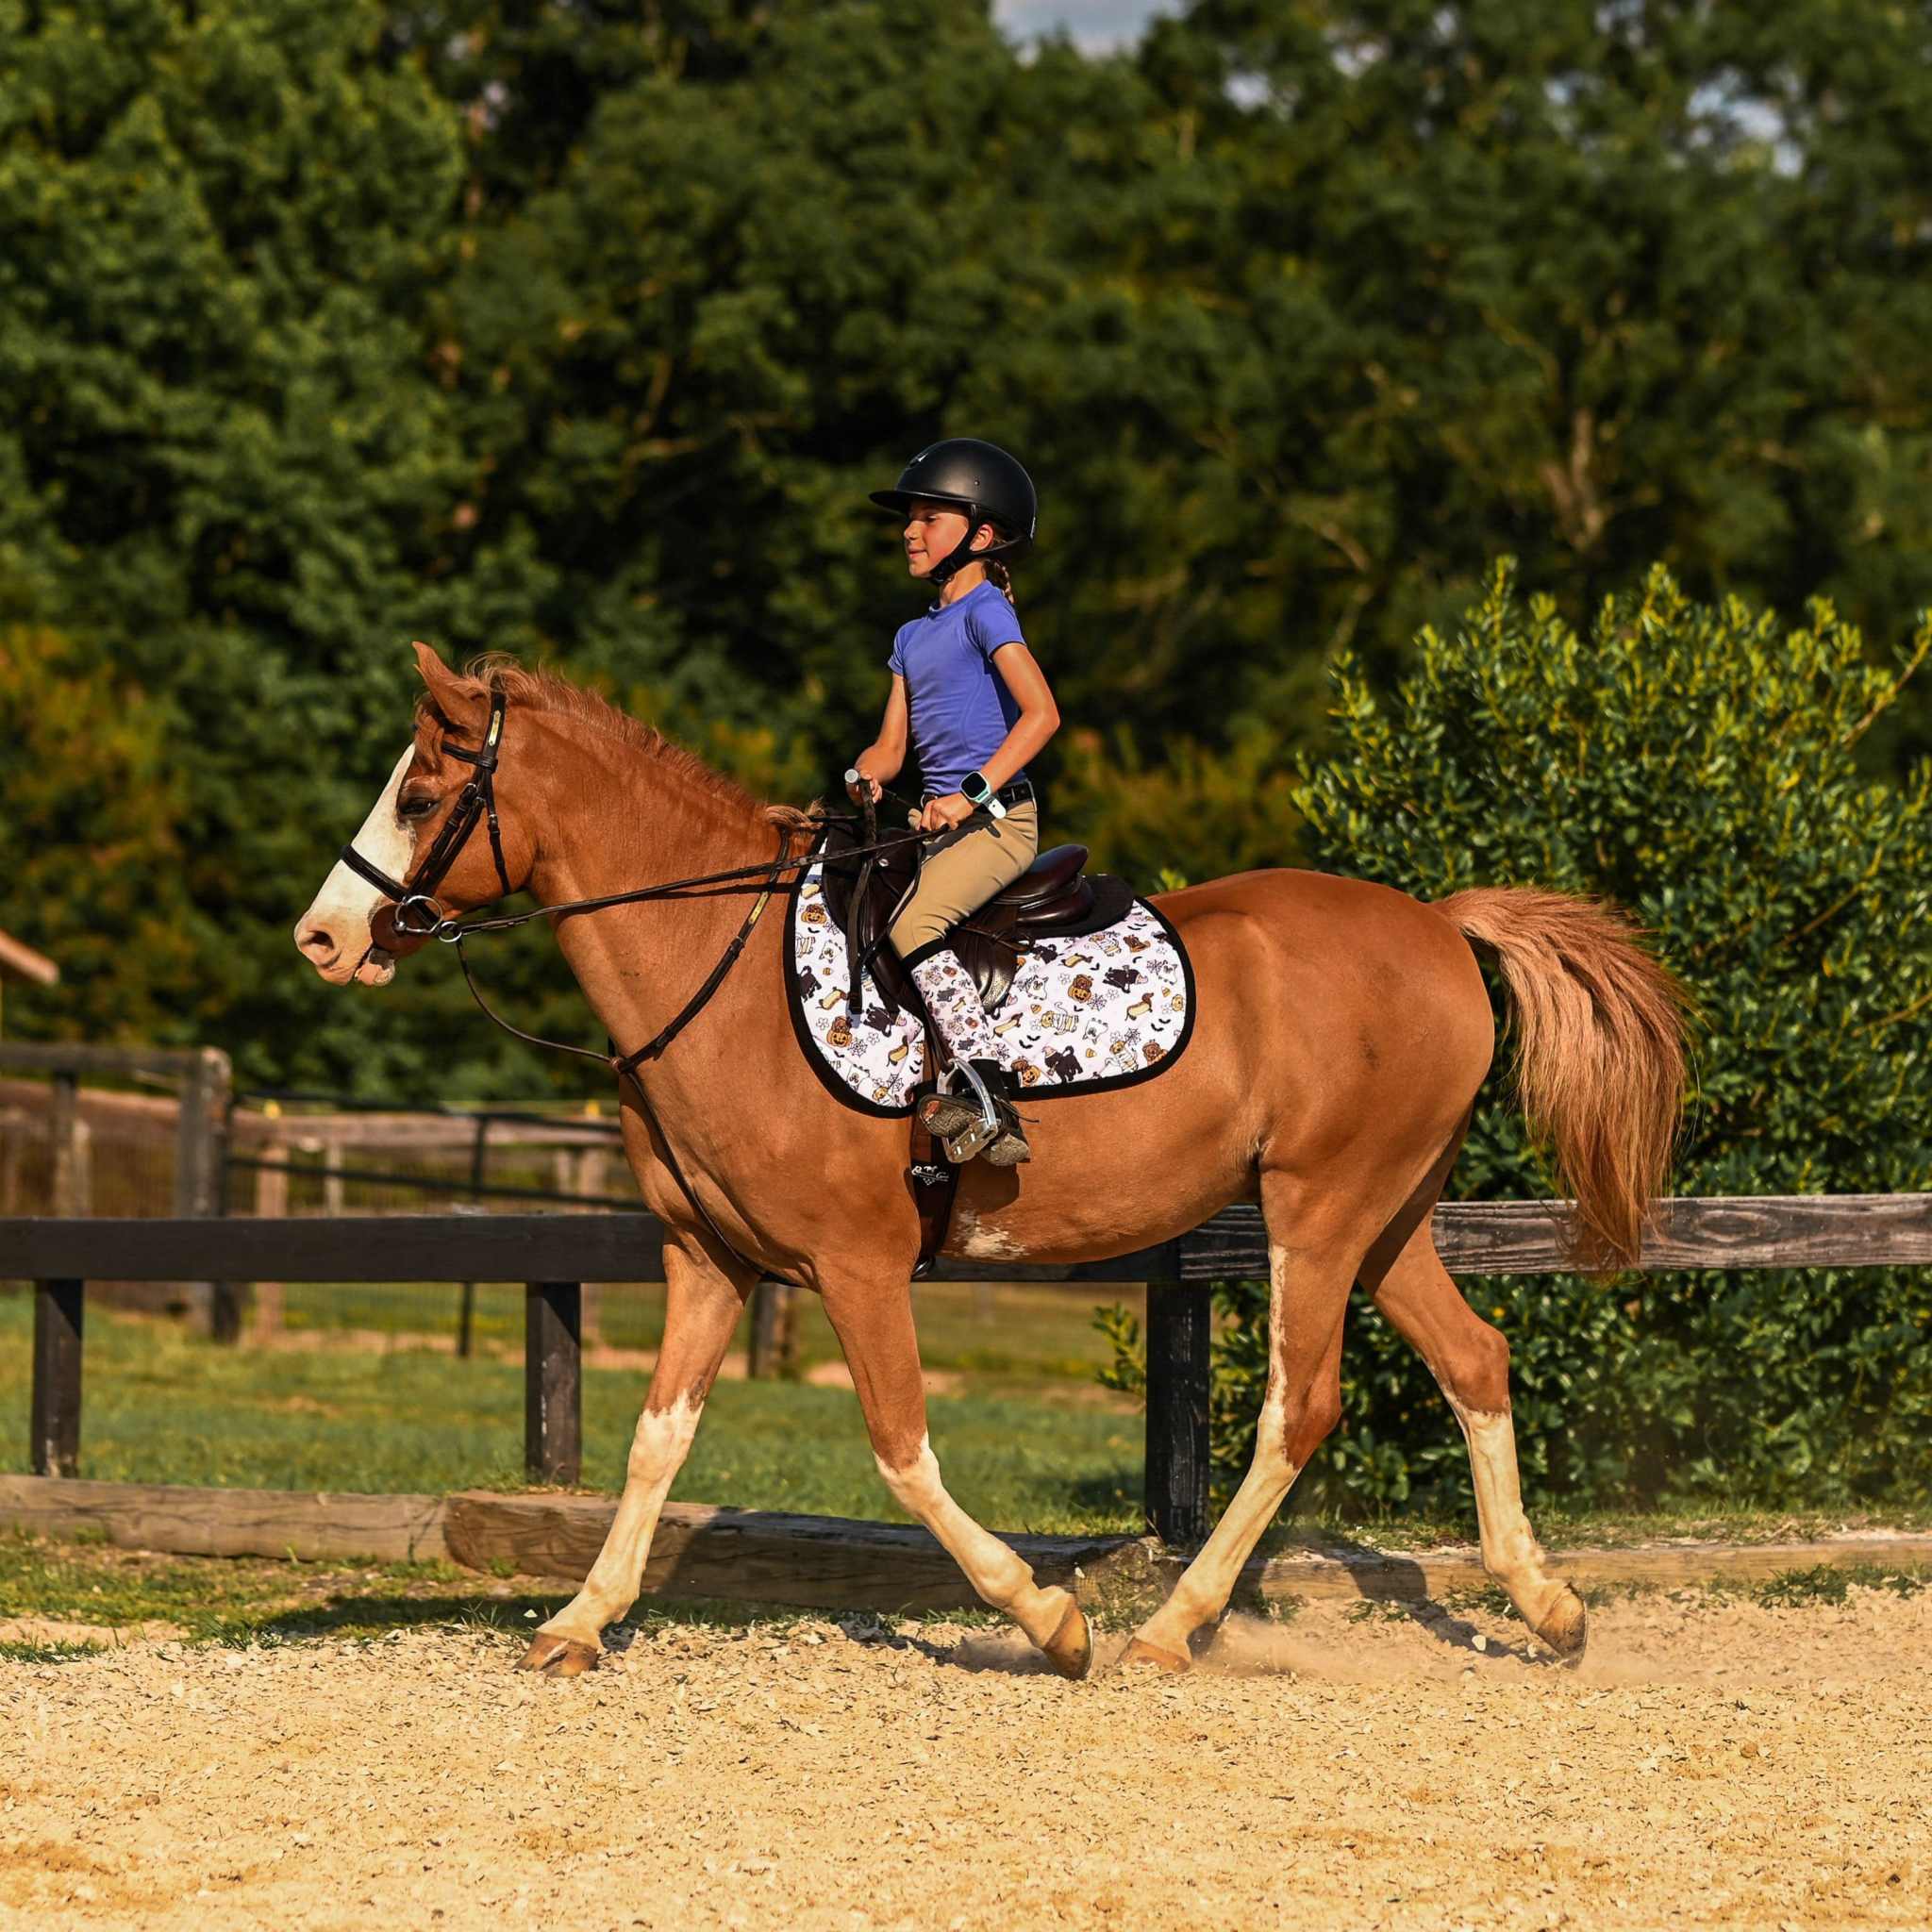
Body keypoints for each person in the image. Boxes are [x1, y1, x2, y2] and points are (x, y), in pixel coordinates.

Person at [849, 438, 1060, 1165]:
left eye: (929, 517)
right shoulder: (911, 635)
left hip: (999, 823)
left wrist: (969, 796)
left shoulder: (985, 615)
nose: (910, 530)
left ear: (981, 534)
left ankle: (986, 1089)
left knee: (914, 924)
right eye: (908, 518)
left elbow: (1042, 715)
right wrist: (865, 773)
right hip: (940, 827)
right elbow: (891, 749)